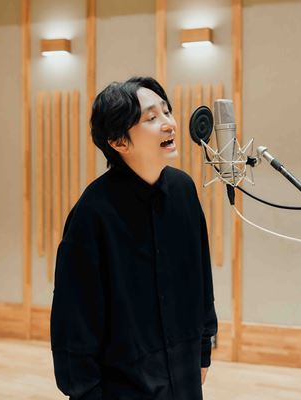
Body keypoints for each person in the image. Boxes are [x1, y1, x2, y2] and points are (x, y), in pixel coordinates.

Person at [50, 76, 218, 400]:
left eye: (167, 112)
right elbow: (74, 320)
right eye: (151, 118)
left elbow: (200, 278)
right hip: (123, 385)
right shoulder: (92, 214)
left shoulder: (183, 190)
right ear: (118, 142)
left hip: (183, 374)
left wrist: (203, 348)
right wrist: (85, 391)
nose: (169, 124)